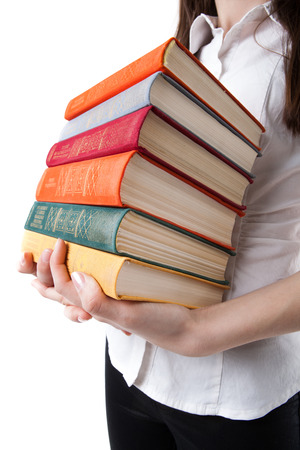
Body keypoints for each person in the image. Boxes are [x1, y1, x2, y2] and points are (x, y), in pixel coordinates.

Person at [18, 0, 300, 448]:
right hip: (129, 365)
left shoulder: (291, 52)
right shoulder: (190, 49)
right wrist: (91, 274)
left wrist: (197, 331)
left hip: (232, 396)